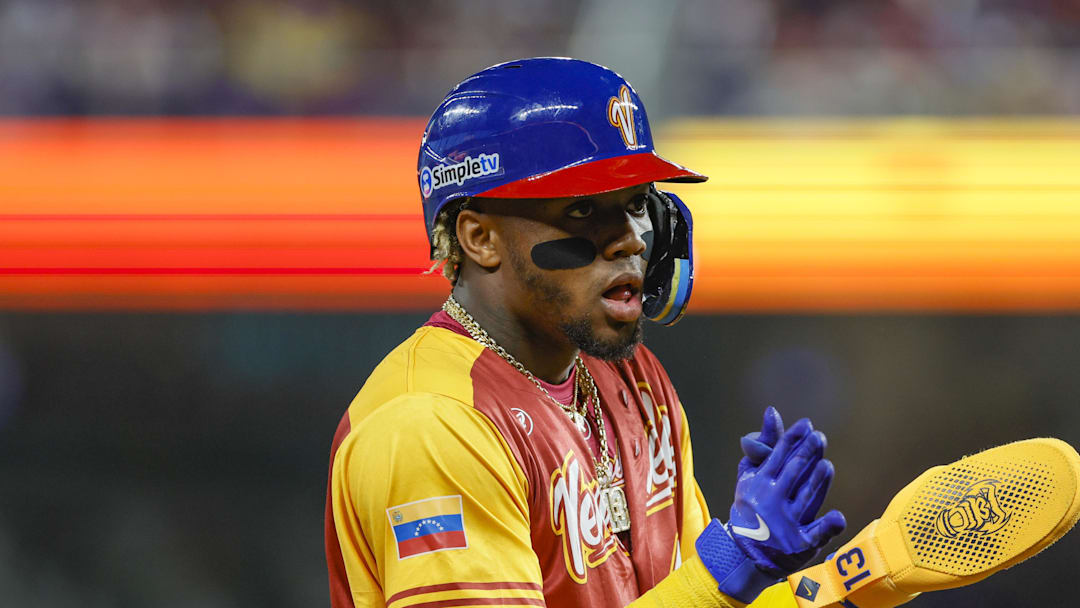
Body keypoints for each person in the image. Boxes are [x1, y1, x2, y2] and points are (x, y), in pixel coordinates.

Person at [324, 57, 846, 608]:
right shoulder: (430, 423)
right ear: (479, 238)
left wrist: (873, 571)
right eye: (581, 210)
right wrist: (729, 565)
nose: (632, 241)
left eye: (637, 204)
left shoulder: (632, 377)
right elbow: (707, 592)